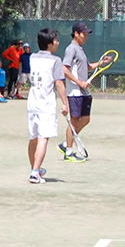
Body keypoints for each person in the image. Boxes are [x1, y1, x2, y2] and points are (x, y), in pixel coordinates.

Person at [60, 22, 110, 163]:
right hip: (75, 91)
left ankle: (65, 143)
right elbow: (64, 69)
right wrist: (79, 82)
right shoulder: (71, 49)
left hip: (84, 91)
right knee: (74, 122)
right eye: (84, 33)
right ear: (76, 33)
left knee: (86, 119)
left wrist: (100, 63)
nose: (86, 36)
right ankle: (69, 152)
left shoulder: (80, 49)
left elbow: (87, 67)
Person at [26, 28, 67, 184]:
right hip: (45, 105)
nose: (58, 42)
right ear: (49, 43)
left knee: (33, 139)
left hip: (32, 104)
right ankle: (35, 172)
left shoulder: (32, 58)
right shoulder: (55, 60)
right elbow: (59, 83)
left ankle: (34, 169)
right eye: (56, 40)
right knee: (43, 139)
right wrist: (65, 103)